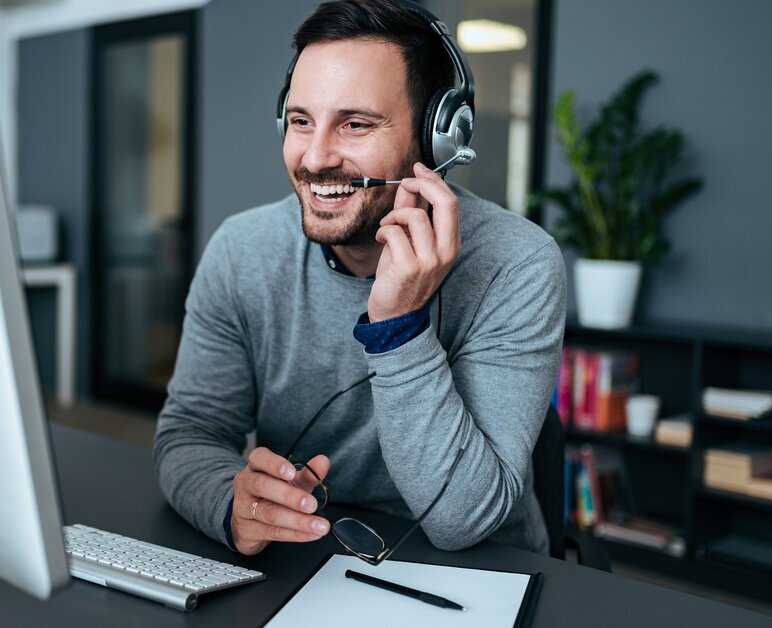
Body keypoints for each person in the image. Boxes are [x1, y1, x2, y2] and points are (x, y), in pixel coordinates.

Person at [153, 0, 565, 556]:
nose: (316, 157)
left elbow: (463, 521)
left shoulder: (517, 264)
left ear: (436, 139)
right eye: (300, 121)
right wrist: (231, 506)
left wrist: (398, 327)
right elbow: (190, 434)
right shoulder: (241, 250)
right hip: (311, 551)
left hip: (483, 572)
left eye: (355, 124)